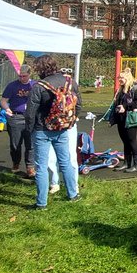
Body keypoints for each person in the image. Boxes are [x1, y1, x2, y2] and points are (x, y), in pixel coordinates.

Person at [25, 55, 81, 209]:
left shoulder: (39, 87)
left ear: (40, 69)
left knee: (41, 167)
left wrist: (29, 130)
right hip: (62, 128)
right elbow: (79, 104)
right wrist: (69, 122)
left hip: (41, 130)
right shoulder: (69, 82)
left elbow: (30, 113)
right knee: (65, 162)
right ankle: (73, 194)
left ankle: (41, 203)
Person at [0, 65, 36, 176]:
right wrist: (7, 109)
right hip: (16, 117)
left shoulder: (35, 85)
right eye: (20, 76)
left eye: (24, 76)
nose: (22, 78)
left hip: (30, 118)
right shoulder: (12, 86)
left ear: (29, 74)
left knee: (30, 144)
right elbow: (3, 100)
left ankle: (30, 167)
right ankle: (16, 163)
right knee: (15, 144)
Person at [111, 69, 137, 173]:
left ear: (127, 78)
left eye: (121, 77)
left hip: (130, 119)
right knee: (125, 141)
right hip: (121, 119)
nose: (119, 79)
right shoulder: (121, 90)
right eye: (119, 77)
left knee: (132, 141)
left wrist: (126, 107)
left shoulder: (136, 89)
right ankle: (127, 163)